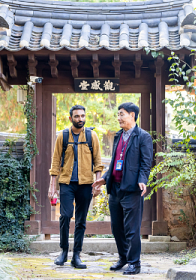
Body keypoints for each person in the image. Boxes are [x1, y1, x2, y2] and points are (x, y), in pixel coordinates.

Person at [92, 102, 154, 276]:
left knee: (132, 228)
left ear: (132, 115)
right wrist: (105, 178)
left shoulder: (143, 137)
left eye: (122, 114)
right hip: (115, 188)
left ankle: (134, 263)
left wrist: (143, 180)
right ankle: (123, 258)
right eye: (118, 114)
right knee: (116, 227)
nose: (119, 118)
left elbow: (146, 163)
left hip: (132, 189)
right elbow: (114, 162)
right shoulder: (119, 135)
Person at [48, 105, 102, 269]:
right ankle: (64, 251)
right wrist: (52, 186)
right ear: (70, 118)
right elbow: (55, 162)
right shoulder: (63, 136)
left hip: (86, 184)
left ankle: (76, 255)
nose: (80, 119)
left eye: (83, 116)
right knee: (65, 216)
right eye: (77, 116)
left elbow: (98, 162)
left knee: (81, 220)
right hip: (66, 183)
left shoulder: (92, 136)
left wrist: (97, 184)